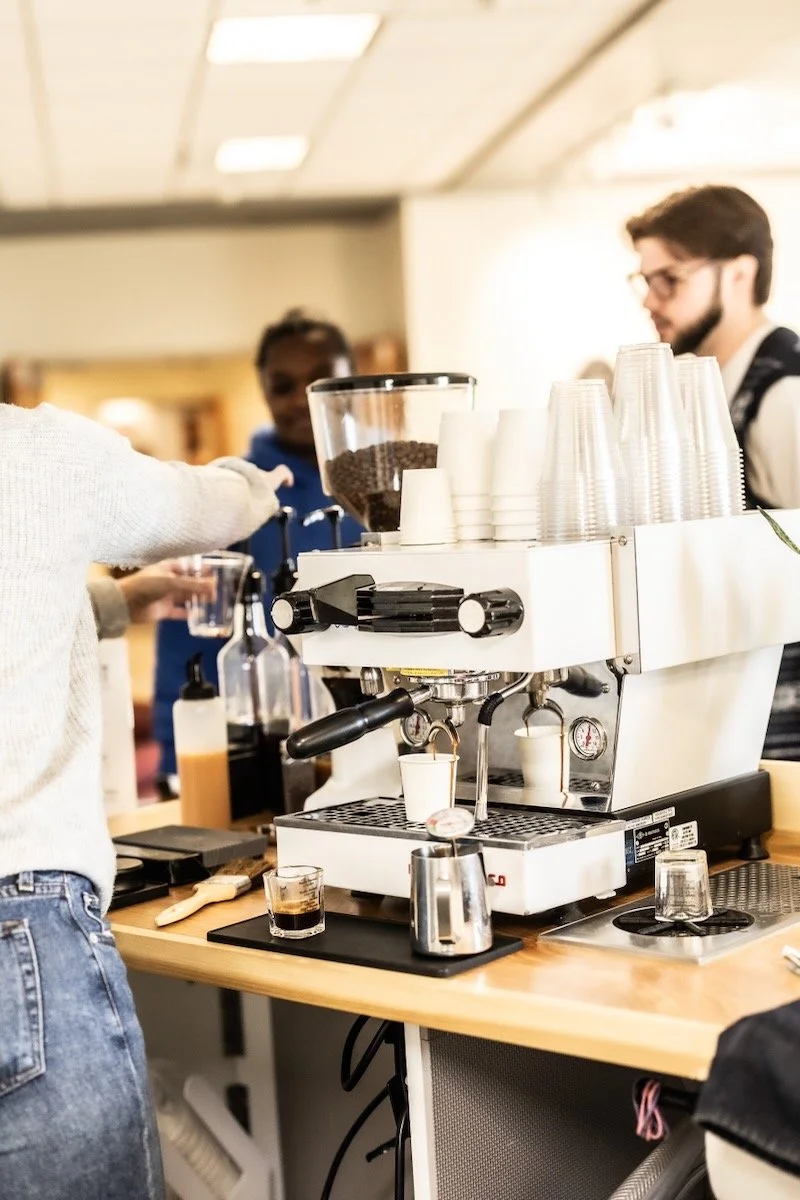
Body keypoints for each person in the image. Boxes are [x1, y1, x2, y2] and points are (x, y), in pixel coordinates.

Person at [0, 395, 292, 1200]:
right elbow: (208, 508)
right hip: (18, 928)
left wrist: (121, 602)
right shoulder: (35, 451)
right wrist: (256, 483)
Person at [626, 184, 800, 759]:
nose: (650, 300)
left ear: (739, 274)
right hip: (737, 720)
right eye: (645, 280)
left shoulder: (784, 396)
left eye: (669, 279)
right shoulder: (705, 390)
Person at [153, 310, 363, 778]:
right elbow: (187, 641)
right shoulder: (230, 497)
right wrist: (178, 760)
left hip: (385, 734)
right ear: (265, 392)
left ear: (352, 379)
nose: (300, 400)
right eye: (282, 386)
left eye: (320, 379)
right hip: (278, 754)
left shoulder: (389, 486)